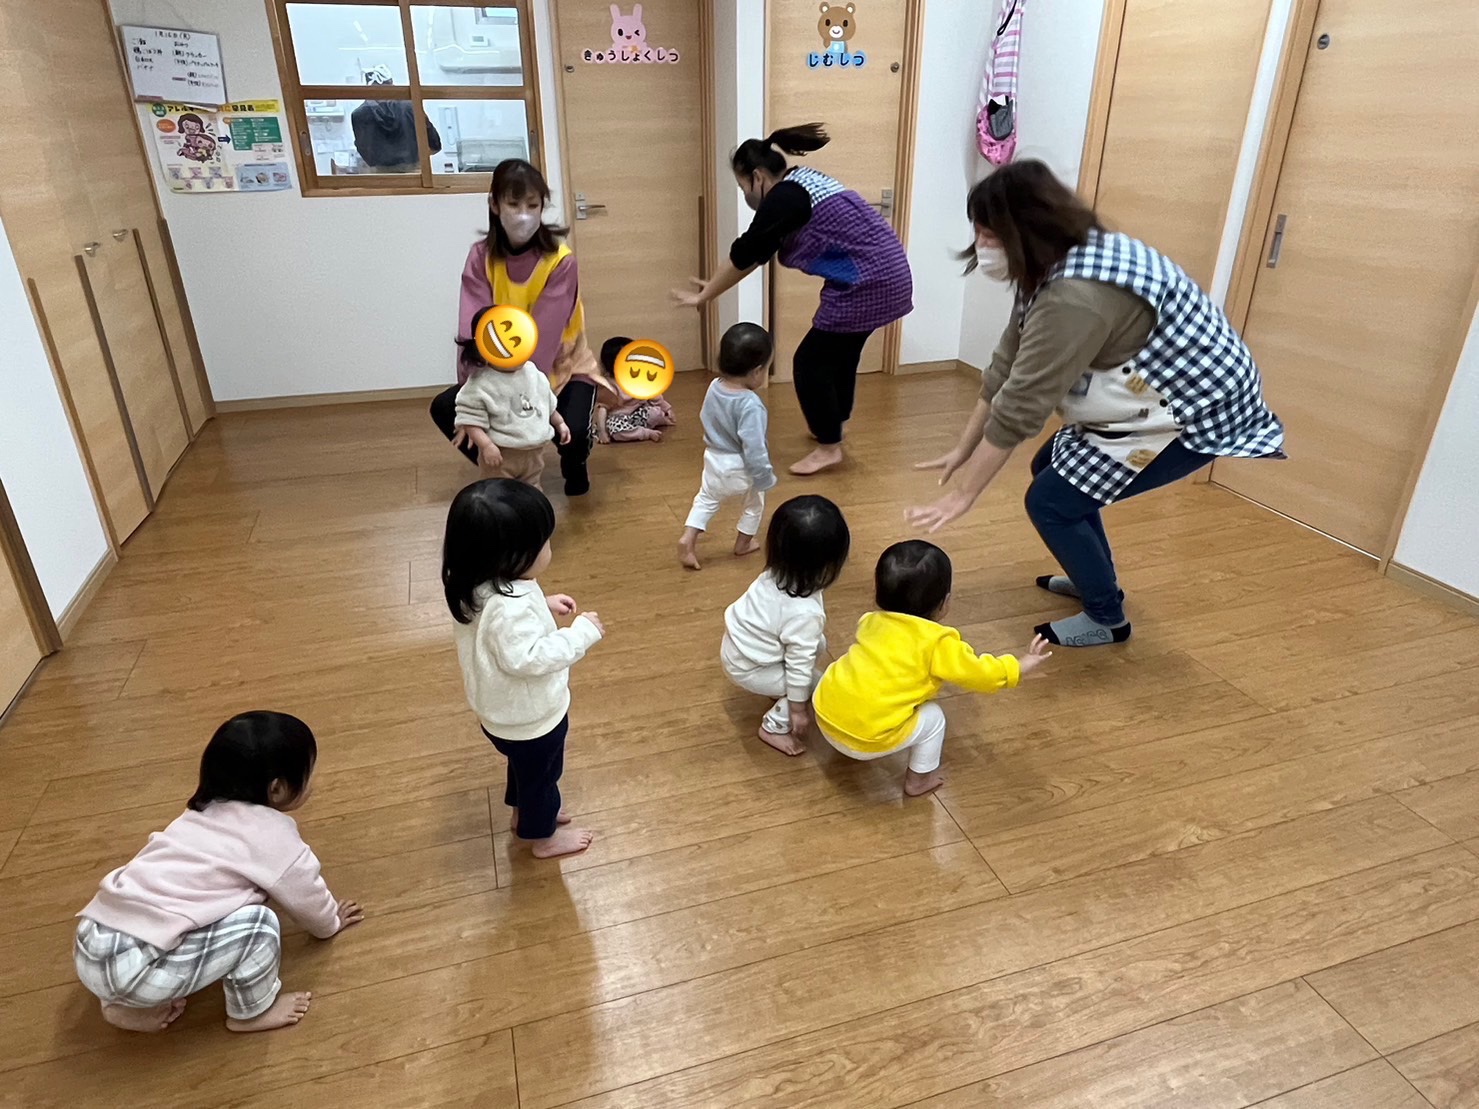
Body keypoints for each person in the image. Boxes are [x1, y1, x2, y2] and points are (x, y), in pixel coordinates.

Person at [907, 160, 1285, 647]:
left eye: (989, 234)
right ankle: (1094, 579)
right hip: (1148, 401)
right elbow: (1007, 362)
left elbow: (1021, 405)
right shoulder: (1055, 259)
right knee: (1052, 469)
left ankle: (1106, 616)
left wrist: (964, 495)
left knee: (1051, 503)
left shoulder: (1074, 295)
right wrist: (962, 449)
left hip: (1193, 412)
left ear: (1026, 231)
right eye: (978, 232)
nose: (981, 246)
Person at [73, 712, 362, 1034]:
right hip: (134, 972)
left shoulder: (196, 816)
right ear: (278, 789)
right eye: (309, 773)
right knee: (260, 924)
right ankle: (251, 1013)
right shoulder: (272, 836)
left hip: (93, 939)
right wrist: (330, 923)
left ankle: (117, 1003)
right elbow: (306, 895)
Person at [672, 124, 913, 476]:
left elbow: (748, 253)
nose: (745, 195)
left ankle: (829, 447)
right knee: (841, 356)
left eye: (742, 186)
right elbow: (753, 250)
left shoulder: (785, 197)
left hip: (867, 282)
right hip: (886, 276)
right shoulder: (802, 182)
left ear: (757, 177)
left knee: (810, 362)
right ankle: (833, 428)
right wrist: (711, 286)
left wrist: (705, 295)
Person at [431, 159, 615, 496]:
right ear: (494, 205)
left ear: (543, 207)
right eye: (514, 204)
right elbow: (473, 327)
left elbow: (544, 337)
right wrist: (476, 392)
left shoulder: (560, 260)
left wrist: (522, 398)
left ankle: (574, 464)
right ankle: (503, 467)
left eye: (532, 205)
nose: (523, 215)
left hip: (562, 369)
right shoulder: (480, 257)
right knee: (449, 409)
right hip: (499, 371)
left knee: (572, 433)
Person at [443, 479, 604, 858]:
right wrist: (581, 634)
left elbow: (498, 624)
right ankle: (542, 838)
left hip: (504, 715)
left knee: (527, 771)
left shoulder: (476, 581)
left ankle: (523, 814)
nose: (549, 547)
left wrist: (541, 603)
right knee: (543, 780)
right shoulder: (509, 607)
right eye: (544, 543)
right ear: (513, 556)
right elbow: (529, 658)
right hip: (531, 720)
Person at [812, 541, 1051, 796]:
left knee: (847, 668)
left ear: (878, 592)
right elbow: (980, 674)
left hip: (823, 714)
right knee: (934, 718)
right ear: (944, 603)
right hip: (867, 741)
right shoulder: (939, 643)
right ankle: (918, 781)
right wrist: (1018, 666)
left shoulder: (870, 620)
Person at [721, 495, 851, 756]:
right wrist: (798, 709)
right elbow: (799, 665)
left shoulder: (773, 575)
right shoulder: (805, 613)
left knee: (817, 644)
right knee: (814, 683)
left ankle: (777, 685)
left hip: (738, 650)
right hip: (750, 667)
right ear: (832, 563)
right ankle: (773, 727)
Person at [679, 322, 778, 570]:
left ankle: (688, 538)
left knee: (706, 499)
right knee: (754, 503)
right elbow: (754, 448)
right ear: (756, 372)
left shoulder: (714, 387)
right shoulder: (750, 405)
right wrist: (764, 477)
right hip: (738, 464)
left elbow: (705, 415)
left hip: (713, 458)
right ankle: (743, 543)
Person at [452, 306, 571, 485]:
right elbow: (470, 421)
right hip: (502, 453)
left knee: (532, 489)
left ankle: (531, 502)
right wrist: (486, 446)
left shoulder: (532, 372)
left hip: (534, 452)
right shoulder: (481, 383)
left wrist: (559, 423)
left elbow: (545, 401)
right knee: (498, 491)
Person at [351, 66, 442, 171]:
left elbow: (364, 150)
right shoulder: (411, 108)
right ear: (391, 83)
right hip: (414, 173)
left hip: (381, 174)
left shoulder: (359, 114)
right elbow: (434, 143)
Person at [594, 335, 676, 443]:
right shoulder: (609, 386)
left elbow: (653, 396)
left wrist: (667, 409)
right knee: (616, 430)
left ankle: (658, 422)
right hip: (620, 418)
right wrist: (602, 432)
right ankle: (644, 433)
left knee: (655, 413)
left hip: (639, 413)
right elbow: (602, 410)